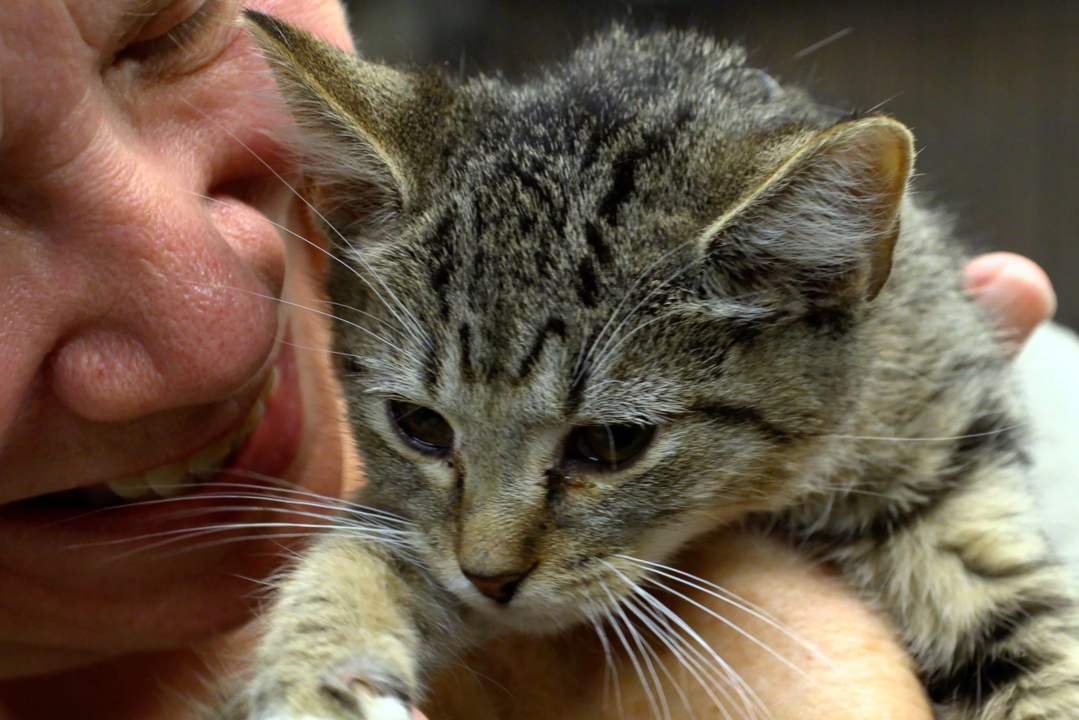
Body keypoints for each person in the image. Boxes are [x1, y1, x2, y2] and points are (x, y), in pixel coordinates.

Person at [0, 1, 1061, 718]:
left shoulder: (964, 391)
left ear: (812, 288)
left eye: (170, 28)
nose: (488, 555)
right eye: (422, 426)